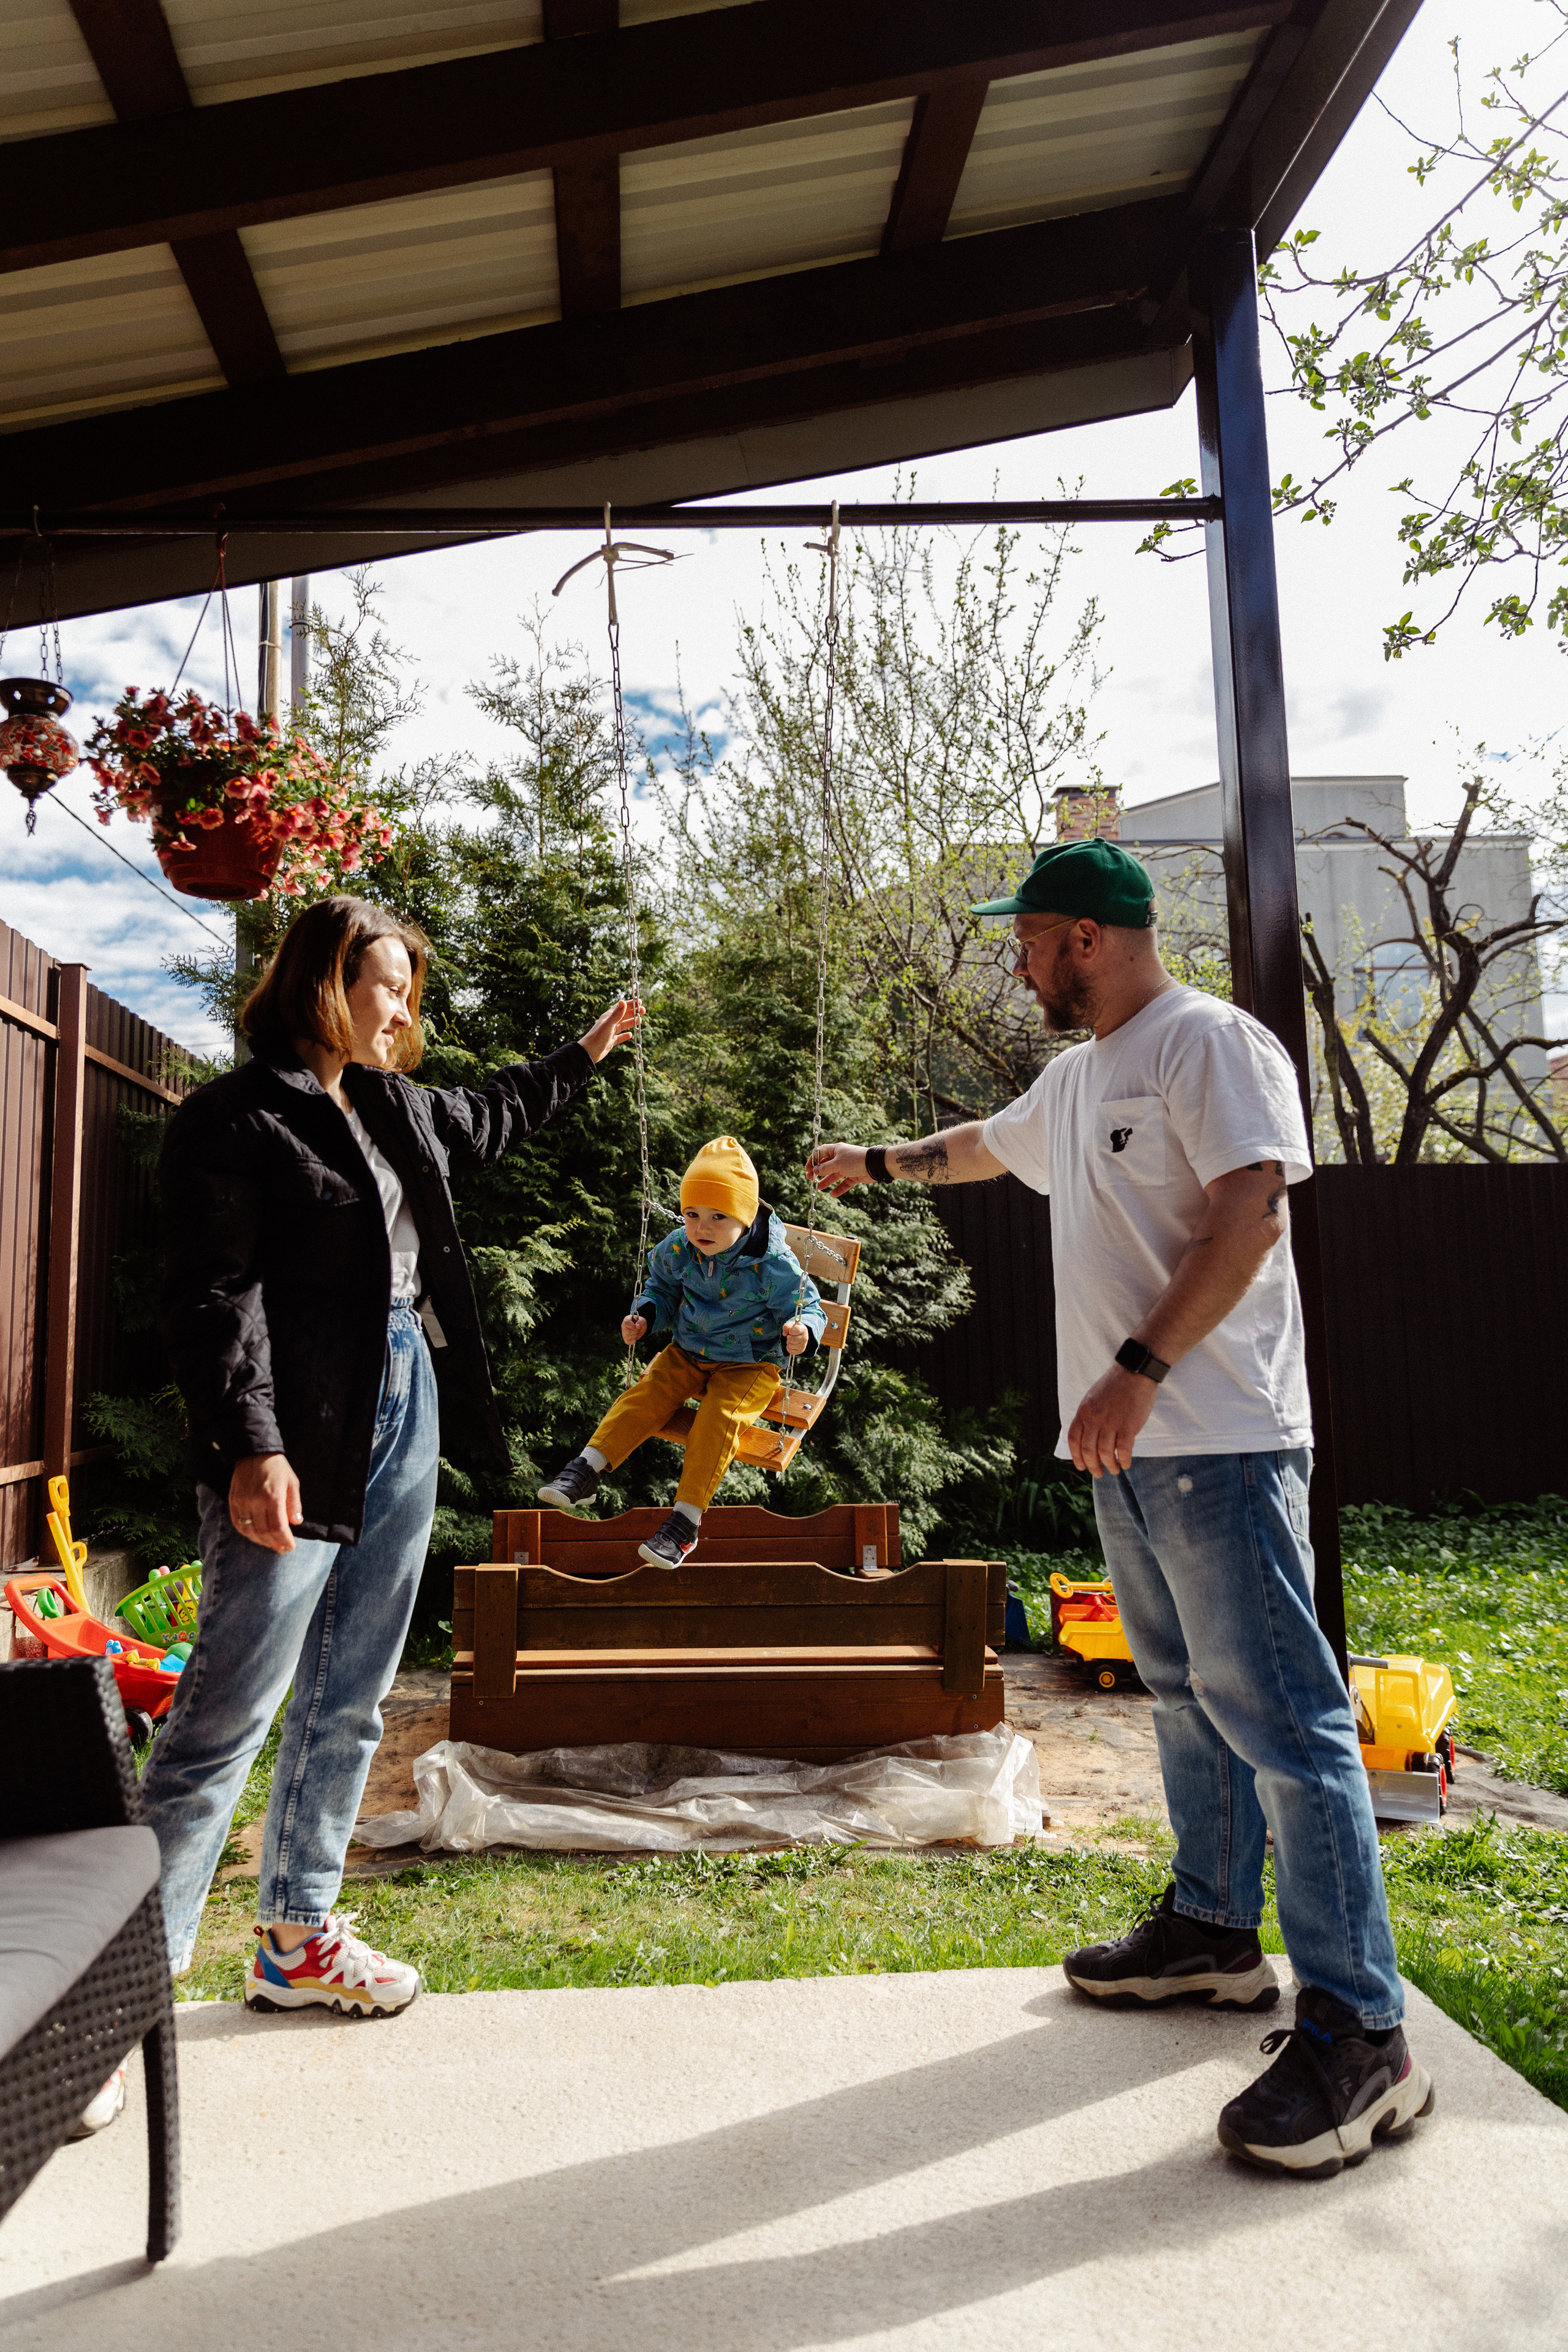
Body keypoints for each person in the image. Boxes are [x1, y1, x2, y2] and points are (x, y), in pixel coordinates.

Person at [809, 837, 1433, 2179]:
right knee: (1182, 1692)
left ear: (1084, 937)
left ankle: (1363, 2030)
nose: (1015, 960)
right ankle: (1213, 1934)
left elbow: (1248, 1215)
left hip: (1215, 1434)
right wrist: (872, 1160)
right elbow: (982, 1145)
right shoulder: (1078, 1073)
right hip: (1134, 1450)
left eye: (1025, 938)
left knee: (1289, 1723)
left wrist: (1139, 1373)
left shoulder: (1207, 1047)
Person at [142, 895, 638, 2018]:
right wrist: (251, 1445)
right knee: (231, 1705)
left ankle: (297, 1937)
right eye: (387, 982)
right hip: (297, 1417)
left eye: (411, 987)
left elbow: (496, 1114)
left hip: (403, 1399)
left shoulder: (395, 1107)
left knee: (352, 1693)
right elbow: (212, 1296)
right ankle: (120, 1983)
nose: (405, 1006)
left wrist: (585, 1054)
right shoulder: (236, 1119)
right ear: (326, 983)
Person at [539, 1135, 824, 1566]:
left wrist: (802, 1329)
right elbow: (662, 1289)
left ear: (745, 1218)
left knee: (717, 1420)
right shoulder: (679, 1247)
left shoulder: (773, 1263)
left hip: (749, 1366)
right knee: (648, 1391)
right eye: (692, 1214)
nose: (701, 1228)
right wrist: (646, 1316)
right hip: (689, 1352)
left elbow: (808, 1306)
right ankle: (588, 1468)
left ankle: (685, 1522)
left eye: (717, 1216)